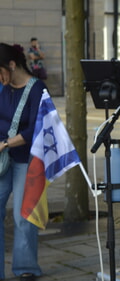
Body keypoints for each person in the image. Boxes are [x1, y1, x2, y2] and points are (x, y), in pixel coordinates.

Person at [0, 43, 45, 281]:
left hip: (25, 160)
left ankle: (25, 267)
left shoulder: (37, 89)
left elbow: (37, 128)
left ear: (11, 65)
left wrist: (6, 143)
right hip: (1, 158)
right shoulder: (3, 87)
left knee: (22, 215)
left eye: (0, 72)